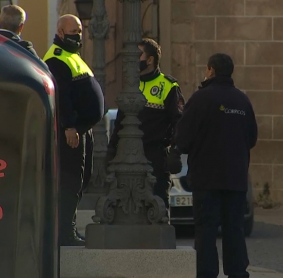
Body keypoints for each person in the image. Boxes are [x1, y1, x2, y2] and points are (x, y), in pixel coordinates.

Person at [175, 53, 258, 278]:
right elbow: (252, 138)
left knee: (206, 230)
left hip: (206, 178)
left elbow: (183, 137)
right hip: (236, 178)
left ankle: (207, 272)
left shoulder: (201, 98)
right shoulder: (242, 100)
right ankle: (237, 272)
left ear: (210, 70)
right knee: (234, 229)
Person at [43, 14, 104, 246]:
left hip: (81, 129)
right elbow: (62, 96)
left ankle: (68, 228)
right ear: (60, 32)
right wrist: (69, 126)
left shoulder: (72, 55)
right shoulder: (56, 58)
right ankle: (65, 233)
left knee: (81, 179)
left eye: (79, 31)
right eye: (73, 31)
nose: (78, 35)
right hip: (71, 132)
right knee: (70, 181)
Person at [107, 38, 184, 215]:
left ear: (150, 60)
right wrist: (111, 150)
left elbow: (179, 121)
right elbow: (120, 122)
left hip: (155, 156)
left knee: (157, 207)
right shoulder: (131, 85)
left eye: (138, 55)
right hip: (128, 157)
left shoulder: (168, 86)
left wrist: (176, 151)